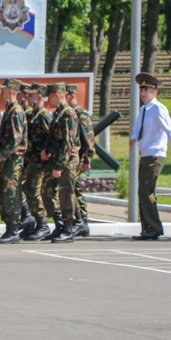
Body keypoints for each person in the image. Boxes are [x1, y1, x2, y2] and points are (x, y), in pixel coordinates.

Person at [130, 73, 171, 240]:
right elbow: (137, 128)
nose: (143, 93)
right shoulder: (143, 110)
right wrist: (134, 138)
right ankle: (147, 227)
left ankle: (155, 227)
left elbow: (170, 130)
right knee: (142, 191)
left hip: (156, 154)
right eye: (141, 90)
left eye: (146, 90)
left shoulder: (159, 109)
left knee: (147, 190)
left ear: (155, 92)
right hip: (145, 154)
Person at [42, 83, 80, 243]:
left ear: (57, 95)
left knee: (66, 194)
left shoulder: (68, 114)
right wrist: (47, 150)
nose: (47, 100)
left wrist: (59, 166)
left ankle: (69, 228)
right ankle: (59, 224)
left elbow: (68, 143)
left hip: (66, 161)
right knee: (46, 191)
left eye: (49, 96)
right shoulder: (58, 113)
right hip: (55, 158)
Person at [0, 79, 27, 243]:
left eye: (4, 90)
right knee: (1, 193)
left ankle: (13, 230)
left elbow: (15, 140)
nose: (1, 93)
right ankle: (9, 227)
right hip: (7, 160)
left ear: (11, 91)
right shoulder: (10, 110)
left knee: (11, 194)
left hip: (13, 160)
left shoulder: (16, 111)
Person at [20, 84, 53, 240]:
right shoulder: (33, 114)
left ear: (39, 97)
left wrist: (45, 151)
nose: (27, 97)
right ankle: (32, 223)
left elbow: (52, 138)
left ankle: (43, 225)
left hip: (39, 163)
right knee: (27, 190)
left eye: (31, 95)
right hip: (31, 160)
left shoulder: (44, 115)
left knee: (34, 192)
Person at [66, 84, 95, 236]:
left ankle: (83, 222)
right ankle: (82, 222)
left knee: (76, 190)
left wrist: (87, 160)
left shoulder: (80, 113)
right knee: (75, 189)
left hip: (79, 157)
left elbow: (88, 138)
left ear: (71, 96)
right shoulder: (70, 113)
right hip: (74, 157)